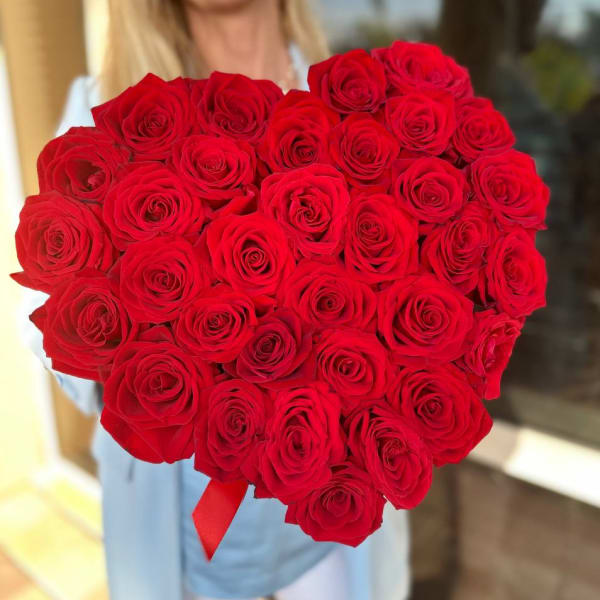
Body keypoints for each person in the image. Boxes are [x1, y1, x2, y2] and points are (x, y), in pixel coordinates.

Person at [27, 1, 410, 599]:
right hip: (189, 527)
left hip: (329, 514)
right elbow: (47, 325)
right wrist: (161, 355)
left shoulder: (354, 102)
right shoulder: (108, 104)